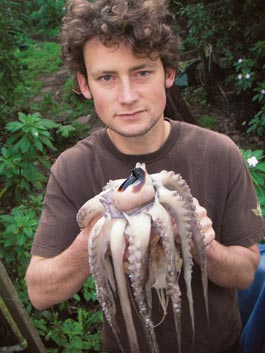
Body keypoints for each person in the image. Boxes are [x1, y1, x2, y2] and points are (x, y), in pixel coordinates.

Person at [25, 0, 265, 352]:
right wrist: (95, 236)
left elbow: (246, 273)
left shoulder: (219, 153)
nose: (127, 96)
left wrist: (204, 246)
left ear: (168, 73)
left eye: (142, 72)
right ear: (85, 84)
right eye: (107, 77)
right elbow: (39, 292)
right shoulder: (72, 168)